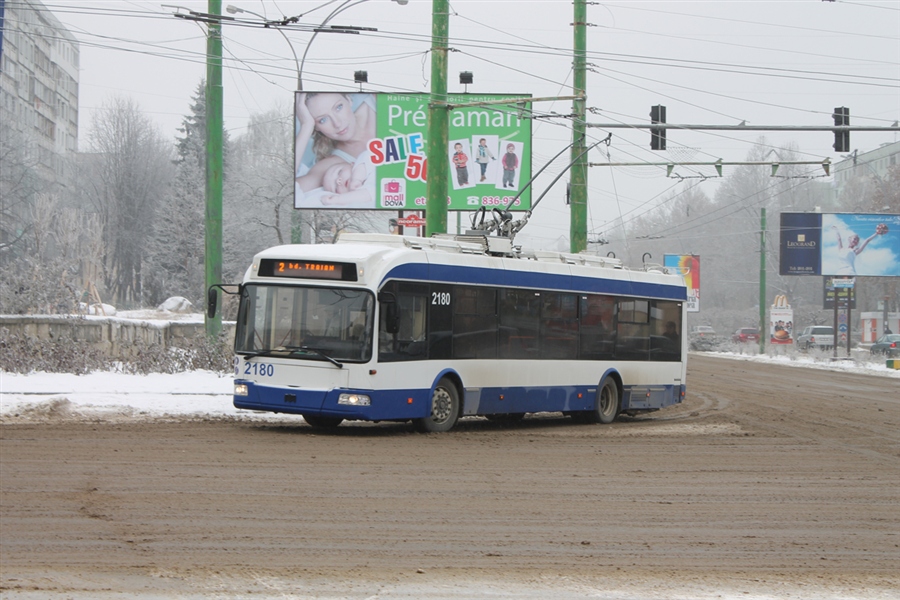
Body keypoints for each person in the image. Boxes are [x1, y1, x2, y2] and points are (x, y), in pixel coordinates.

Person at [294, 92, 376, 196]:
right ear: (316, 127)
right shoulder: (332, 165)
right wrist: (306, 126)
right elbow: (290, 191)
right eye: (322, 120)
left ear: (349, 100)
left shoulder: (379, 103)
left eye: (338, 107)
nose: (337, 124)